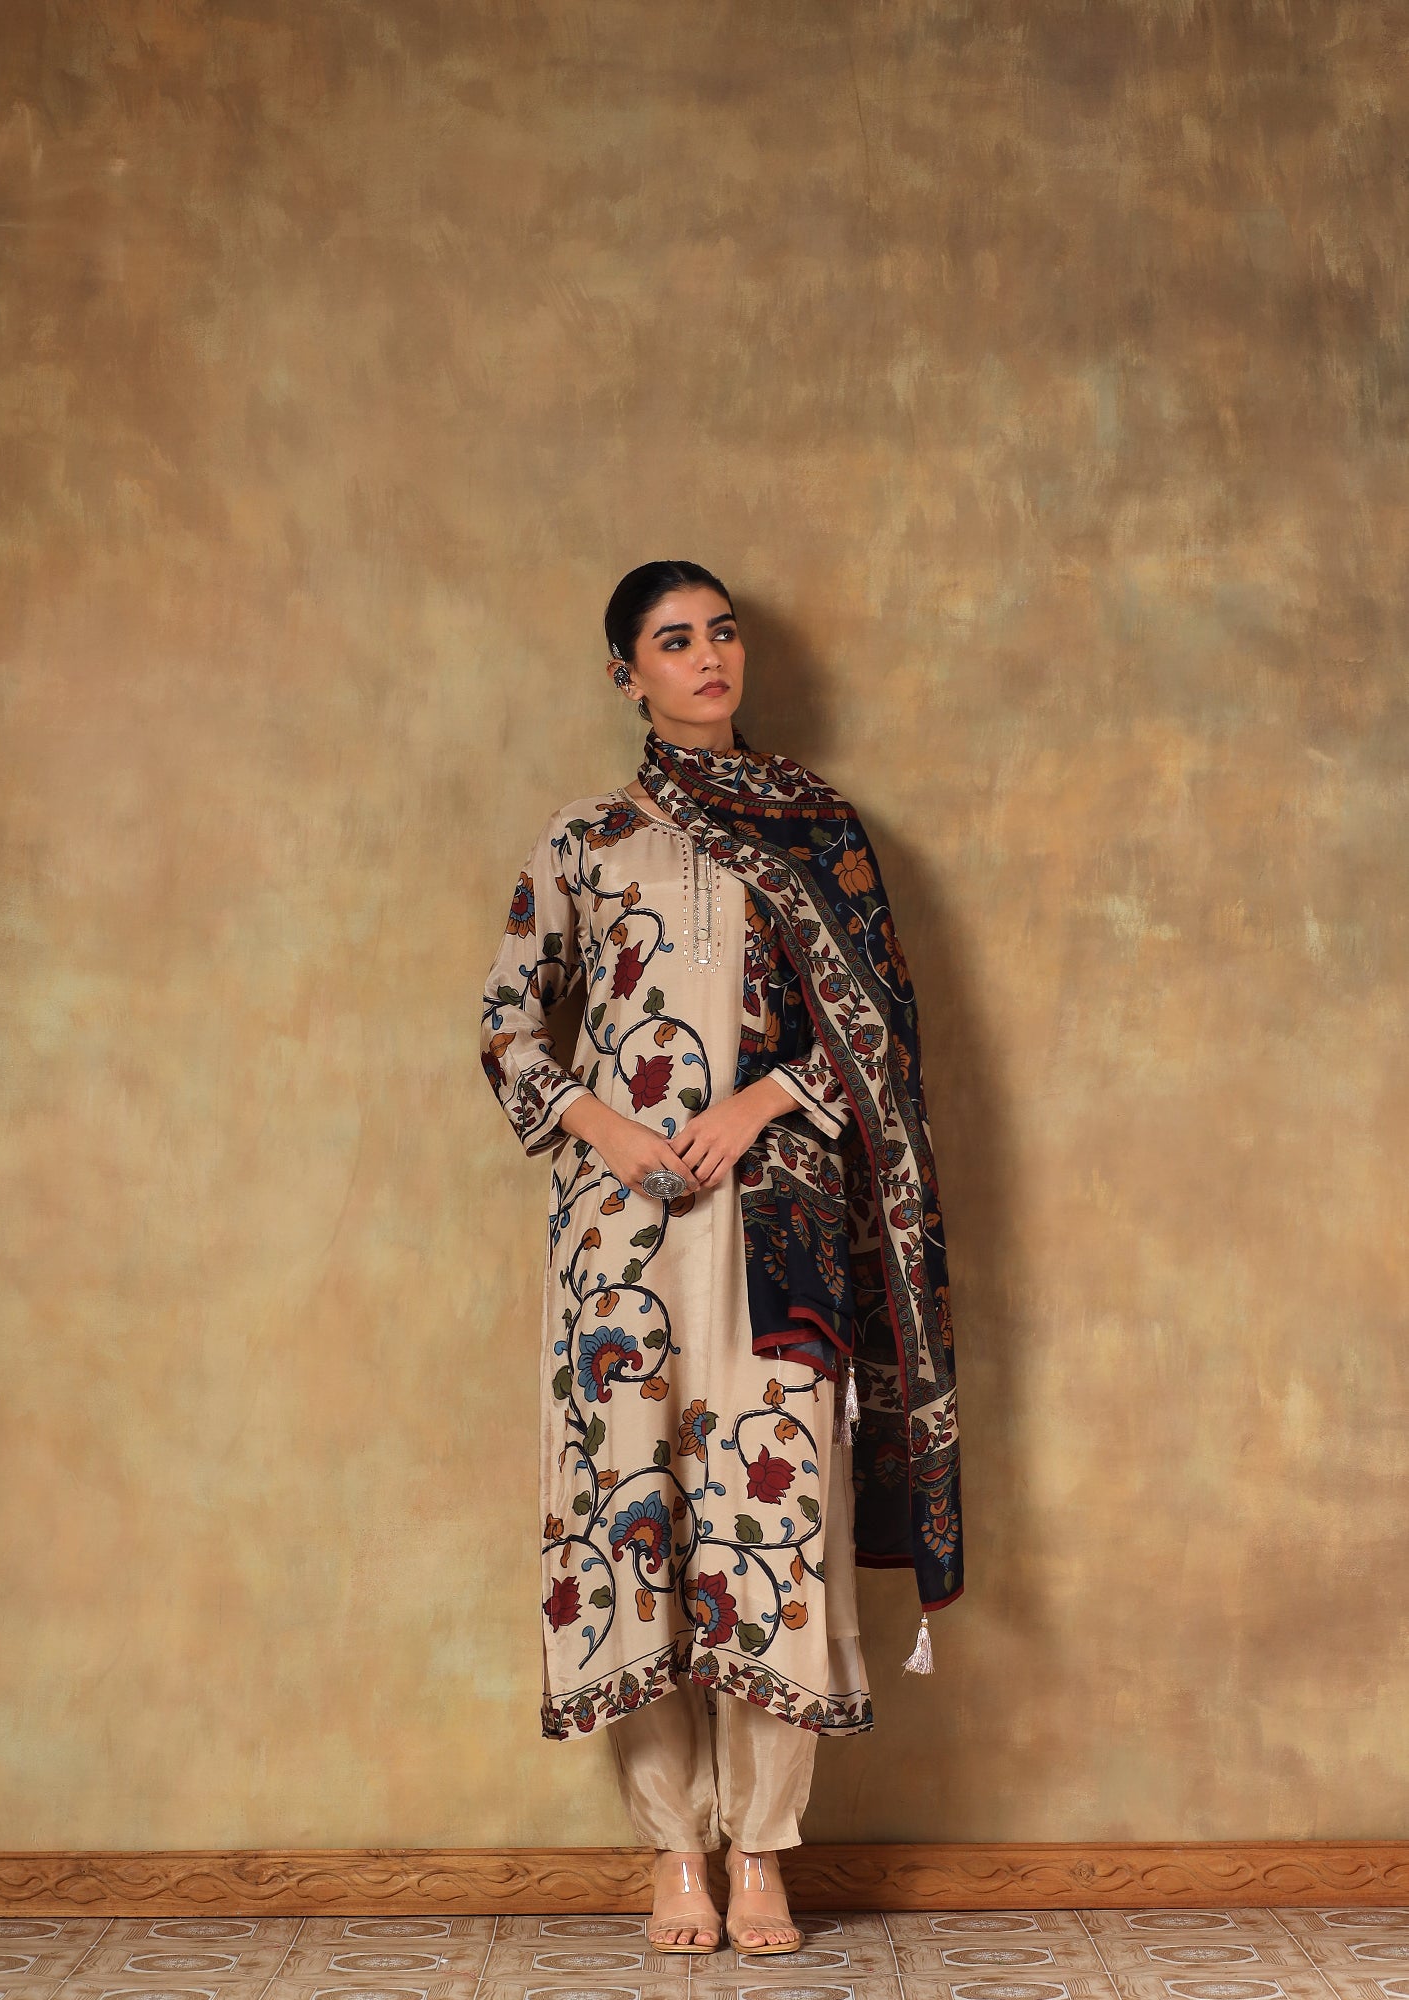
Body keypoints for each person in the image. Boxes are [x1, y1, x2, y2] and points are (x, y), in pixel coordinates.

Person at [479, 560, 962, 1956]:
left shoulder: (821, 830)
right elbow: (508, 1023)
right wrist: (606, 1128)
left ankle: (762, 1851)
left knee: (767, 1522)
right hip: (620, 1234)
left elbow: (880, 1030)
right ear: (626, 674)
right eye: (674, 640)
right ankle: (673, 1854)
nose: (708, 658)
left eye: (723, 634)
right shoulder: (586, 839)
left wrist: (758, 1104)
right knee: (629, 1512)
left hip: (775, 1235)